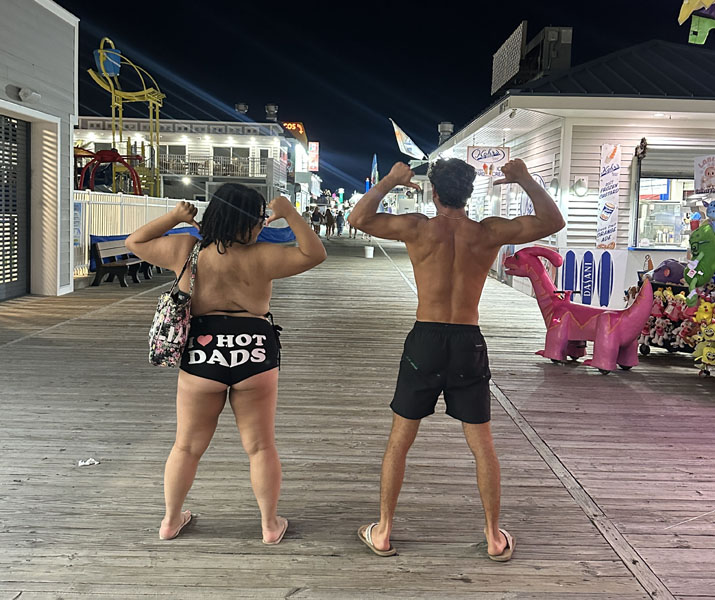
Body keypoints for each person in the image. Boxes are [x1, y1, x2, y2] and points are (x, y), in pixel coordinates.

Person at [348, 159, 564, 560]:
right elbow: (553, 221)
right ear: (469, 194)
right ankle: (494, 537)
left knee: (400, 440)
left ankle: (383, 531)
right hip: (468, 341)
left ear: (434, 193)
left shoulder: (418, 228)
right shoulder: (488, 232)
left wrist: (391, 180)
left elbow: (358, 218)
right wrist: (524, 179)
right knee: (482, 445)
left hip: (425, 339)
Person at [126, 184, 327, 543]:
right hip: (255, 351)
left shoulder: (186, 250)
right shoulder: (264, 255)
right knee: (261, 447)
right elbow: (315, 254)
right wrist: (290, 213)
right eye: (260, 217)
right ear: (247, 221)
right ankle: (269, 525)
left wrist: (175, 217)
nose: (263, 223)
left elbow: (135, 242)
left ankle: (170, 521)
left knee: (186, 446)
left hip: (202, 353)